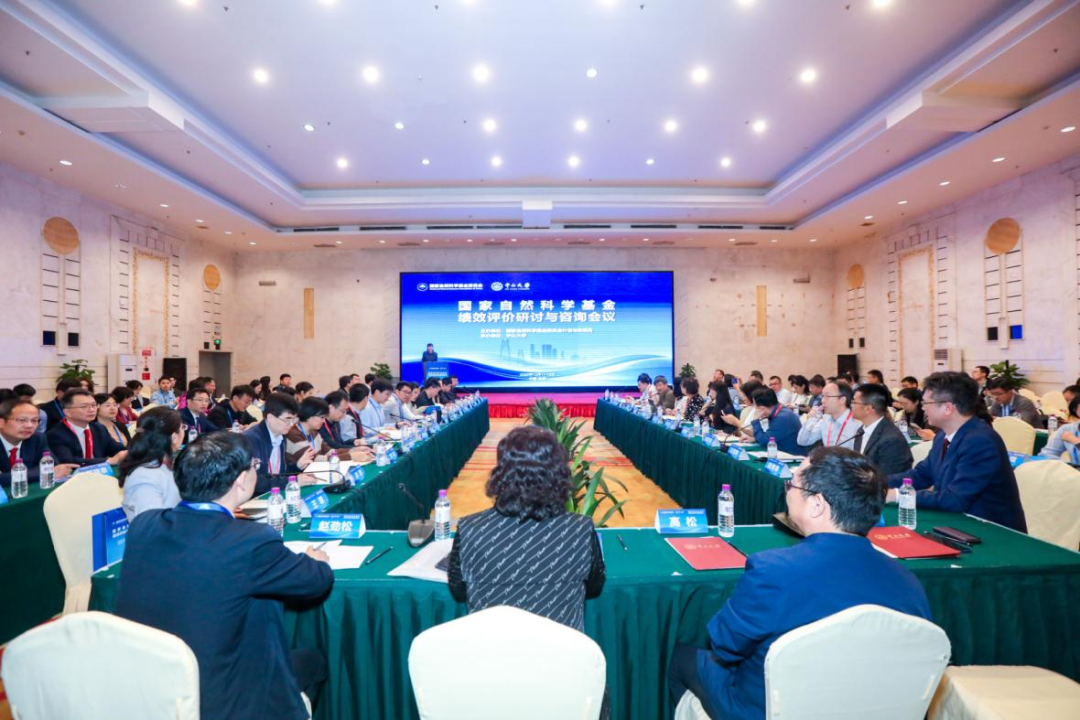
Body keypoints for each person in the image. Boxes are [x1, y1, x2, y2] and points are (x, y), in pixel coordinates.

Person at [668, 447, 932, 720]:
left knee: (679, 658)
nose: (787, 491)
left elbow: (725, 644)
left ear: (817, 505)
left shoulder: (771, 571)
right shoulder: (908, 582)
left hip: (766, 709)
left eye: (791, 484)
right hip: (872, 709)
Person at [114, 432, 333, 720]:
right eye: (254, 466)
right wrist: (316, 560)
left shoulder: (144, 525)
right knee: (313, 661)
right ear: (241, 480)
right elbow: (314, 581)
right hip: (220, 699)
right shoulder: (250, 540)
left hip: (146, 689)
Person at [448, 425, 604, 633]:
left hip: (491, 647)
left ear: (501, 474)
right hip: (560, 649)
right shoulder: (580, 529)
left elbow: (458, 591)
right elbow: (594, 587)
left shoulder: (470, 529)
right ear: (559, 475)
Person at [886, 372, 1026, 532]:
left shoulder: (980, 441)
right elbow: (921, 475)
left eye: (926, 403)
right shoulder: (943, 436)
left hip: (992, 531)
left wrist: (896, 495)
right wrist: (877, 484)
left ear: (948, 408)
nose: (922, 407)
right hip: (956, 524)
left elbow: (955, 499)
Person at [118, 407, 184, 520]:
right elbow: (151, 524)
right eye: (183, 428)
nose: (184, 432)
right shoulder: (144, 476)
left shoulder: (161, 465)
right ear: (174, 437)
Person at [243, 393, 315, 495]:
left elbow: (279, 473)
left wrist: (297, 467)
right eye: (287, 419)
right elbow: (254, 481)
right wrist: (293, 481)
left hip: (274, 494)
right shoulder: (251, 439)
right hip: (255, 498)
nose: (291, 424)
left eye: (294, 419)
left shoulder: (280, 435)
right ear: (270, 417)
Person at [0, 399, 76, 487]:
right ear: (1, 422)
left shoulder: (37, 439)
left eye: (34, 420)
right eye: (22, 420)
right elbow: (50, 471)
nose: (29, 426)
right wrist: (38, 473)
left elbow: (53, 466)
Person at [46, 389, 127, 465]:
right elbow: (68, 461)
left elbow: (117, 449)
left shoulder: (98, 428)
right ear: (67, 412)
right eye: (84, 406)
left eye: (94, 405)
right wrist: (108, 461)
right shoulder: (56, 434)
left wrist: (128, 452)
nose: (92, 410)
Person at [849, 384, 913, 475]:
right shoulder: (861, 430)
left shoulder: (892, 440)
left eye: (854, 402)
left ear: (868, 409)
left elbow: (888, 478)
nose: (851, 405)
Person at [797, 382, 861, 449]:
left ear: (842, 400)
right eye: (822, 396)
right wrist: (812, 419)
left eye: (827, 396)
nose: (822, 401)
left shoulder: (857, 423)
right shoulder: (826, 418)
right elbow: (802, 441)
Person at [746, 388, 805, 456]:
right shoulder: (780, 410)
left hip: (792, 457)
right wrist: (755, 439)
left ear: (762, 408)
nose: (755, 409)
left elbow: (765, 441)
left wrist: (755, 421)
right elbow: (771, 436)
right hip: (783, 452)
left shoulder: (782, 417)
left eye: (755, 406)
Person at [285, 397, 334, 468]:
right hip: (299, 474)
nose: (324, 421)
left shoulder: (314, 432)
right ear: (310, 414)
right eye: (322, 417)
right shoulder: (293, 434)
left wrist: (350, 451)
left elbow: (329, 452)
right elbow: (313, 460)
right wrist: (348, 456)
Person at [1039, 396, 1080, 461]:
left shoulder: (1069, 435)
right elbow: (1047, 454)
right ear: (1075, 409)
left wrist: (1075, 441)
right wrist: (1063, 465)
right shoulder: (1067, 429)